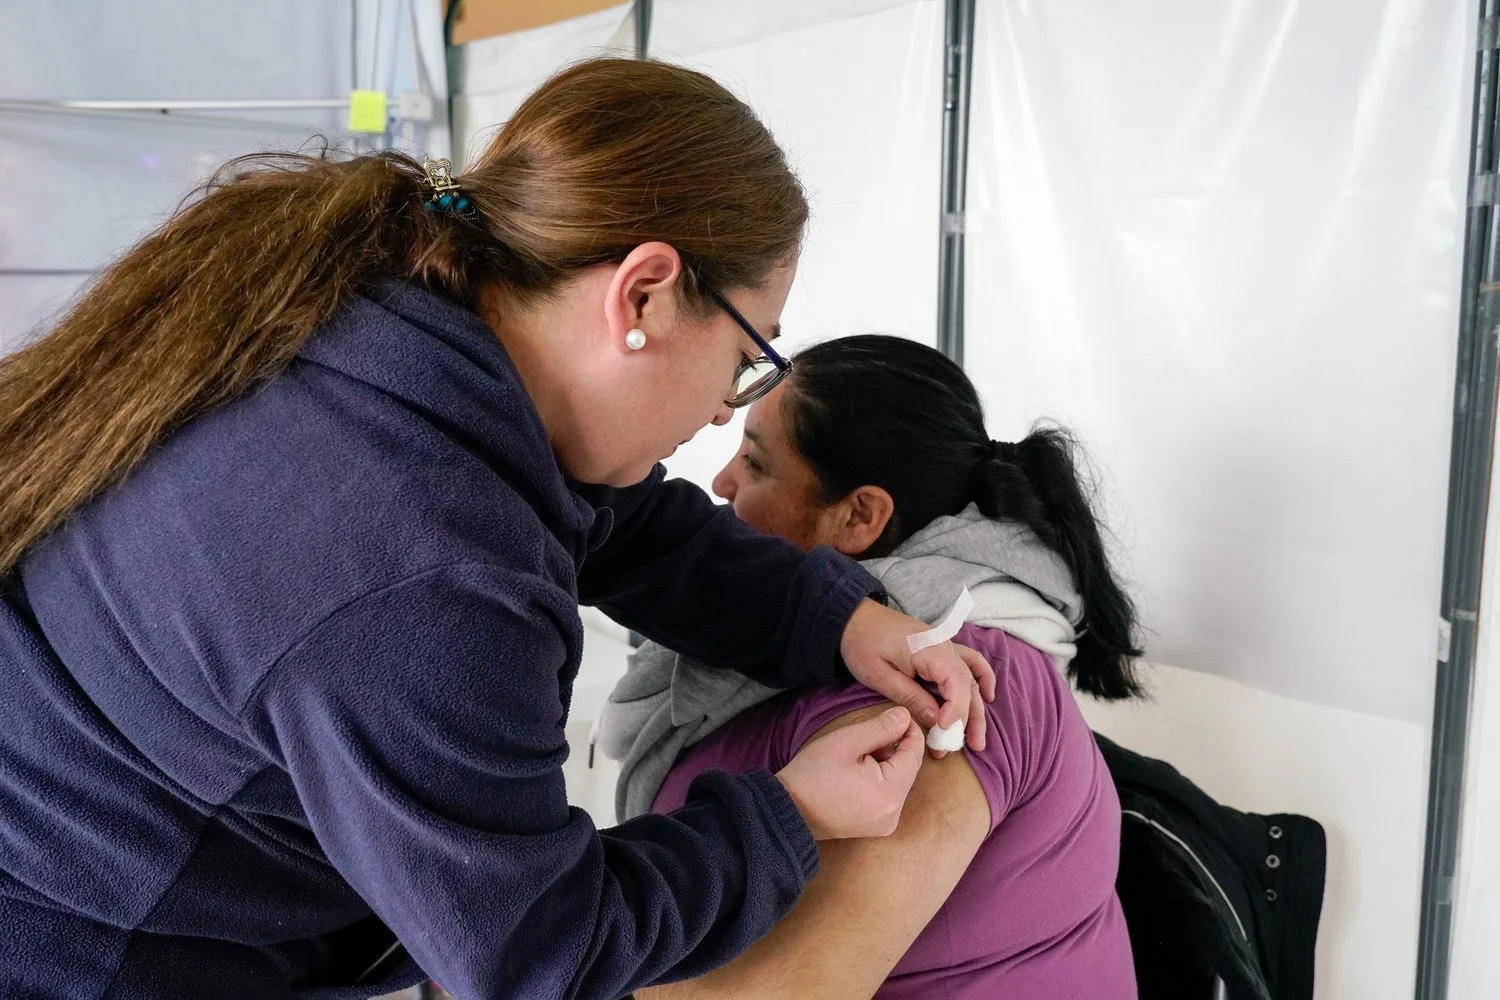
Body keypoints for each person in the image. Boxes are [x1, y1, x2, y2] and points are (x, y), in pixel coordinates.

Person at [0, 61, 997, 1000]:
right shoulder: (423, 575)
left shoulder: (375, 329)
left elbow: (612, 516)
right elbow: (541, 954)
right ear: (642, 294)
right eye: (745, 359)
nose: (723, 416)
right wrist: (790, 818)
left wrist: (836, 619)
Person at [599, 335, 1144, 999]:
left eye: (757, 463)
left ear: (860, 516)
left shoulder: (942, 691)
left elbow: (768, 991)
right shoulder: (846, 645)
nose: (723, 482)